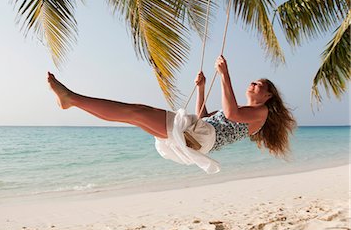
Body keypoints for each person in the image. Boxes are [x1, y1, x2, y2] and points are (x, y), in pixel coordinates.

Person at [47, 55, 296, 168]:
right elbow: (206, 117)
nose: (253, 84)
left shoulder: (260, 112)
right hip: (200, 133)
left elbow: (229, 114)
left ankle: (72, 99)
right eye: (253, 82)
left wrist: (225, 75)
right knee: (134, 114)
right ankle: (72, 100)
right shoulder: (247, 110)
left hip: (200, 138)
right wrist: (201, 88)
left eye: (259, 85)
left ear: (268, 95)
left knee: (136, 112)